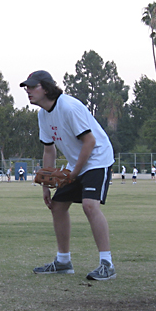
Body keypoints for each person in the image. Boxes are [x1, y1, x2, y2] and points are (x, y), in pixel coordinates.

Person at [21, 70, 116, 281]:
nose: (28, 90)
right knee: (57, 206)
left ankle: (107, 263)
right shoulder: (42, 114)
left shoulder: (68, 107)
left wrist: (73, 173)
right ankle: (63, 262)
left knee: (90, 206)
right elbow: (49, 150)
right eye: (26, 87)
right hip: (77, 163)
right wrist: (45, 184)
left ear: (46, 88)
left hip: (97, 158)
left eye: (32, 86)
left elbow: (90, 142)